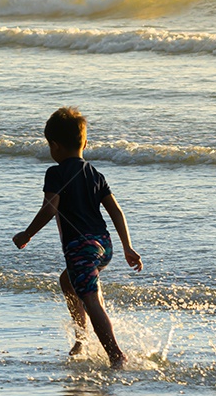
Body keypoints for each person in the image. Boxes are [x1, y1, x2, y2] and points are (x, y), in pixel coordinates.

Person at [13, 107, 142, 369]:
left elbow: (50, 208)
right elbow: (116, 211)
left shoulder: (55, 172)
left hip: (80, 247)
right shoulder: (95, 173)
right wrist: (127, 247)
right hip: (104, 245)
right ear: (85, 142)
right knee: (68, 281)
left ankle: (116, 354)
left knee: (91, 298)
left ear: (55, 146)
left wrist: (27, 233)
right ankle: (82, 338)